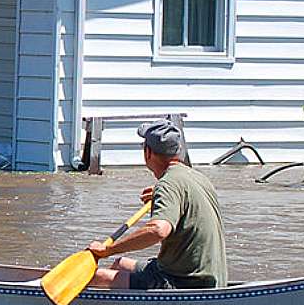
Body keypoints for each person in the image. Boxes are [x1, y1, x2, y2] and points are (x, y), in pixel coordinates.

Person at [88, 120, 228, 290]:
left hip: (185, 282)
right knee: (120, 264)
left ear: (148, 152)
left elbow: (158, 230)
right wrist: (159, 194)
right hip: (208, 276)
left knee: (98, 277)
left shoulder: (168, 185)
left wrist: (108, 250)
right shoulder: (198, 178)